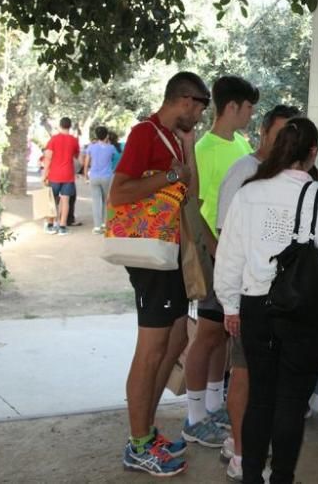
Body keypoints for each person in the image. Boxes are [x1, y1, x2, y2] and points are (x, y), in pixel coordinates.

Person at [215, 118, 318, 484]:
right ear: (312, 153)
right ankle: (282, 478)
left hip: (255, 308)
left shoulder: (248, 192)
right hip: (302, 313)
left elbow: (230, 256)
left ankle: (251, 477)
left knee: (260, 398)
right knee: (291, 402)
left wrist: (229, 305)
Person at [109, 71, 210, 477]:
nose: (200, 117)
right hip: (149, 257)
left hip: (170, 252)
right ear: (184, 100)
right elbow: (118, 192)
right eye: (200, 108)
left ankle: (146, 432)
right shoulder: (144, 134)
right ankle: (137, 444)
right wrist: (168, 175)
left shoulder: (174, 139)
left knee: (177, 337)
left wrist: (186, 152)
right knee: (150, 350)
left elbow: (193, 193)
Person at [214, 103, 300, 480]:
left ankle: (243, 445)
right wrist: (231, 303)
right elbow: (225, 240)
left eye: (290, 137)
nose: (283, 143)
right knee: (245, 375)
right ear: (264, 132)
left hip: (279, 303)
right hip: (249, 298)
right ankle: (240, 451)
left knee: (263, 383)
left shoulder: (290, 180)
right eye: (279, 134)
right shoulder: (244, 174)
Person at [183, 76, 260, 449]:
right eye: (249, 108)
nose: (251, 115)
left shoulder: (243, 144)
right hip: (215, 257)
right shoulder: (204, 149)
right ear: (232, 107)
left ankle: (214, 405)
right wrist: (215, 251)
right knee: (208, 334)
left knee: (225, 336)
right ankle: (194, 416)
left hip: (238, 257)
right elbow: (194, 208)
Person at [42, 117, 80, 235]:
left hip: (54, 174)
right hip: (68, 174)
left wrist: (45, 174)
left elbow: (48, 157)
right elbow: (76, 156)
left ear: (60, 125)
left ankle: (50, 224)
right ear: (70, 126)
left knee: (52, 200)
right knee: (65, 201)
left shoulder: (54, 139)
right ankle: (62, 226)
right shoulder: (74, 140)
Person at [82, 125, 116, 233]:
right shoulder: (111, 148)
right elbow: (115, 159)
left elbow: (86, 162)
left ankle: (97, 227)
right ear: (106, 135)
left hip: (94, 177)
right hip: (107, 177)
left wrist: (85, 175)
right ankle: (105, 224)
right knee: (106, 200)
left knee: (96, 201)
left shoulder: (91, 147)